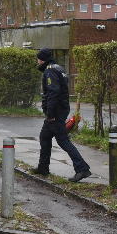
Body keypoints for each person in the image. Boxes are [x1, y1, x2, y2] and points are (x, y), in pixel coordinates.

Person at [33, 47, 91, 182]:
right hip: (60, 109)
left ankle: (82, 169)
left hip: (55, 112)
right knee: (45, 137)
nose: (37, 61)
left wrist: (50, 113)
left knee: (63, 141)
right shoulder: (58, 68)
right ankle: (43, 168)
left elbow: (54, 92)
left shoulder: (50, 71)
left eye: (38, 58)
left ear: (42, 59)